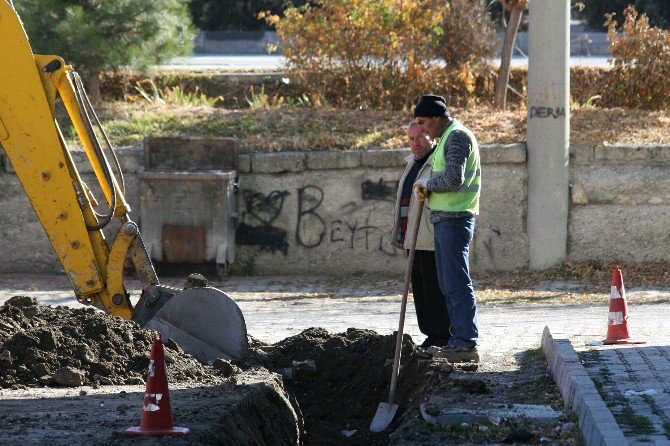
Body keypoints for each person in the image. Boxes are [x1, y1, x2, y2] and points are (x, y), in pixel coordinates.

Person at [412, 94, 481, 363]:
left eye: (423, 122)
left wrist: (427, 184)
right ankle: (457, 341)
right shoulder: (445, 139)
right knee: (447, 282)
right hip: (444, 219)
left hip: (455, 218)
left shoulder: (457, 137)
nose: (422, 128)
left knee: (456, 283)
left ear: (437, 118)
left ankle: (465, 343)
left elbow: (453, 178)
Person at [391, 122, 451, 349]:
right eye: (411, 139)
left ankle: (443, 335)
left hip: (429, 236)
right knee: (420, 289)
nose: (415, 144)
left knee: (434, 290)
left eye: (420, 137)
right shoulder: (411, 164)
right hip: (412, 237)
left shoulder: (436, 162)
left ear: (431, 136)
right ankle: (431, 334)